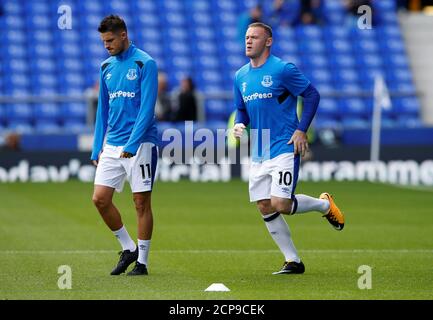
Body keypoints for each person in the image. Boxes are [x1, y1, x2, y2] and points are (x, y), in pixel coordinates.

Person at [233, 22, 345, 275]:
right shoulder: (240, 76)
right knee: (264, 205)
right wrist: (240, 124)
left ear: (268, 41)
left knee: (281, 204)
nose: (248, 41)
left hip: (284, 145)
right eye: (247, 37)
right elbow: (241, 109)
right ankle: (293, 261)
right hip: (260, 148)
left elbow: (312, 94)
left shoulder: (283, 69)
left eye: (255, 37)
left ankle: (324, 206)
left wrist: (301, 129)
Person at [91, 15, 159, 276]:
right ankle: (127, 247)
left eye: (109, 40)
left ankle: (142, 262)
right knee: (99, 199)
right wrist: (97, 146)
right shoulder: (106, 66)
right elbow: (102, 111)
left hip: (141, 144)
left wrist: (133, 143)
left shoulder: (145, 62)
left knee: (141, 202)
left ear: (123, 35)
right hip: (112, 145)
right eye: (103, 42)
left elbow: (147, 108)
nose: (106, 46)